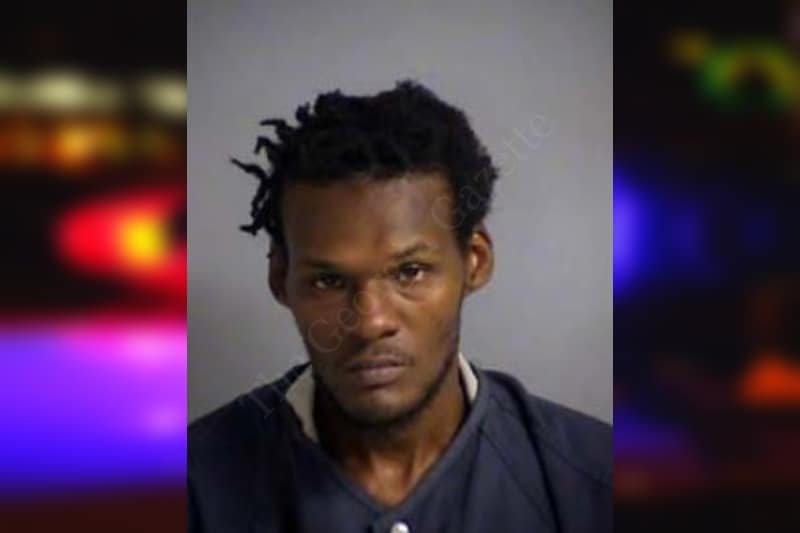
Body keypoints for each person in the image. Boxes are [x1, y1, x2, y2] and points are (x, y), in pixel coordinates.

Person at [188, 80, 611, 533]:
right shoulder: (194, 486)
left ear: (474, 261)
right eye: (328, 281)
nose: (370, 322)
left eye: (410, 272)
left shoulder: (594, 478)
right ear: (280, 278)